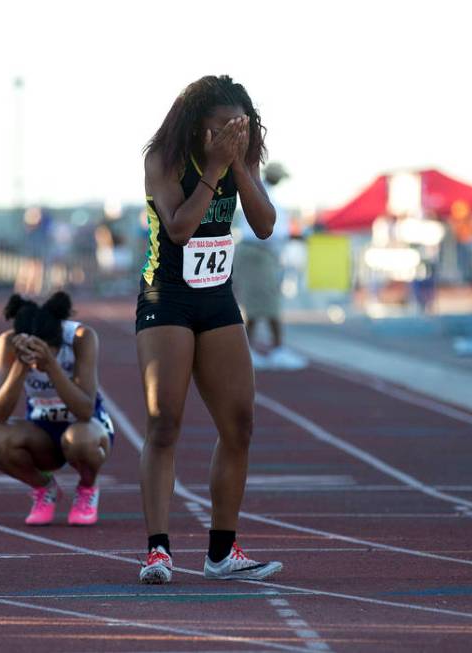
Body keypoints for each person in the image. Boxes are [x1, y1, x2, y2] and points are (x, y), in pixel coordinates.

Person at [136, 75, 283, 584]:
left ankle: (222, 552)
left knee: (240, 424)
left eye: (241, 128)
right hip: (167, 298)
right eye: (224, 128)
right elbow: (179, 227)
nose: (233, 135)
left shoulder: (241, 158)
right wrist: (215, 168)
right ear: (198, 126)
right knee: (164, 422)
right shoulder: (164, 158)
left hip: (217, 297)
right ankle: (158, 551)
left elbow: (264, 223)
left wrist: (239, 165)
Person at [0, 292, 113, 527]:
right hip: (43, 432)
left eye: (43, 351)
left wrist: (52, 366)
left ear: (56, 344)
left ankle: (87, 488)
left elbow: (85, 410)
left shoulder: (81, 338)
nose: (36, 363)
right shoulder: (9, 343)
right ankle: (45, 488)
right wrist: (20, 366)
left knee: (80, 438)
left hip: (88, 429)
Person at [233, 161, 307, 370]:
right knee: (265, 303)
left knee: (259, 303)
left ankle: (256, 349)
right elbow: (269, 231)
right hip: (259, 252)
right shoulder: (266, 195)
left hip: (259, 252)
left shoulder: (262, 193)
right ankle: (272, 349)